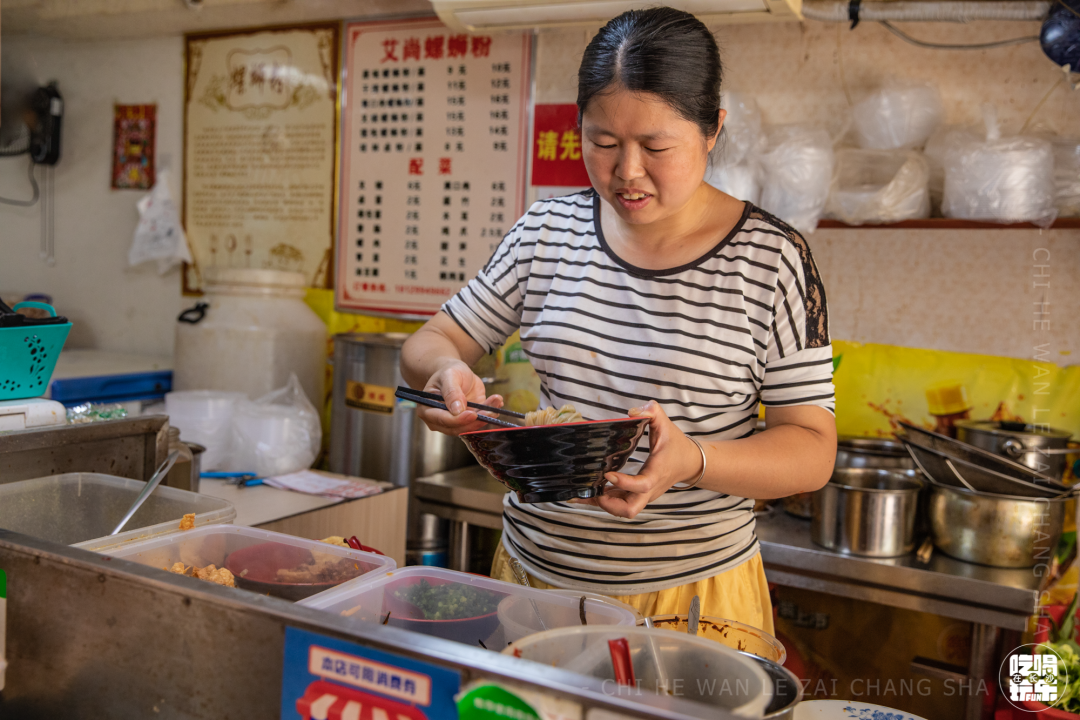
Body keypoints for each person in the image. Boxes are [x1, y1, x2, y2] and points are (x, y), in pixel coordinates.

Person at [401, 7, 836, 633]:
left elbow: (812, 449)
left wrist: (694, 461)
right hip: (536, 585)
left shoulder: (771, 259)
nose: (626, 171)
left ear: (713, 129)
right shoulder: (547, 232)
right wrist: (445, 370)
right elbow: (431, 341)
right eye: (602, 142)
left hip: (693, 600)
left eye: (656, 146)